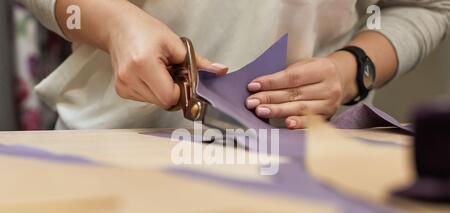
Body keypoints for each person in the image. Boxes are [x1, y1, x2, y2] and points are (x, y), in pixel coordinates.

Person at [19, 0, 450, 130]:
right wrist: (113, 23)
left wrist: (353, 69)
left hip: (307, 167)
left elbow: (426, 7)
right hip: (111, 150)